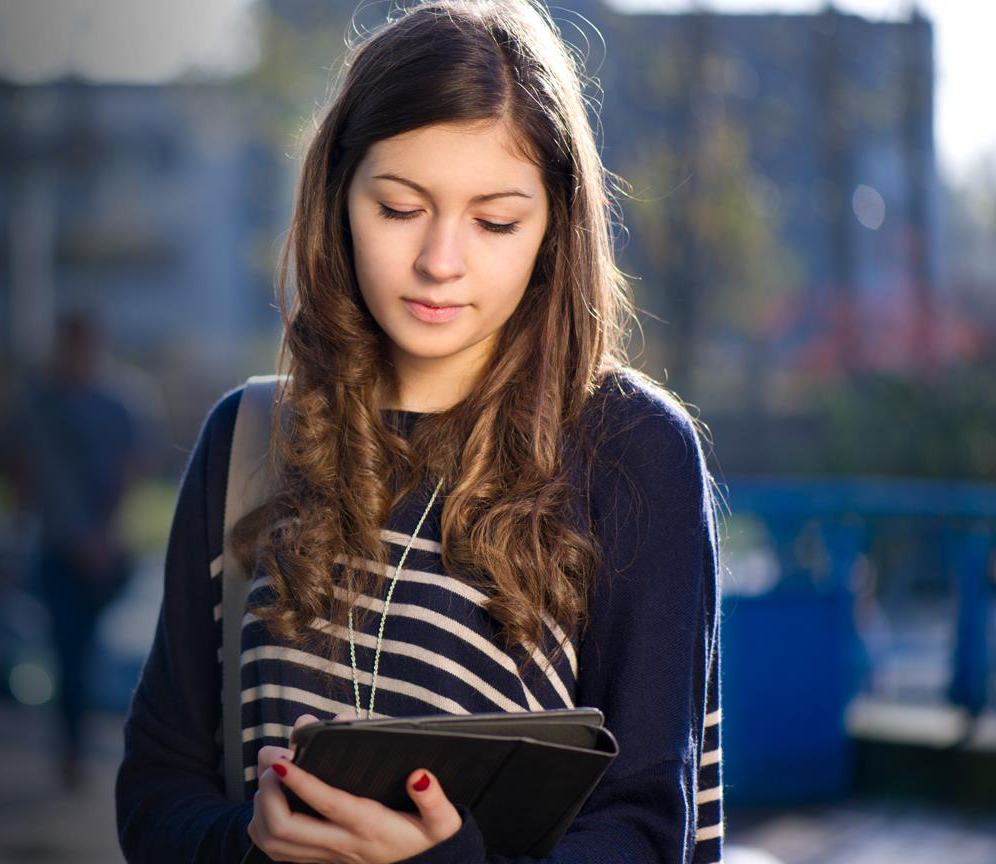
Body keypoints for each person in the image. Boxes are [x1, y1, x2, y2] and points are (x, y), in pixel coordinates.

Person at [114, 2, 724, 862]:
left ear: (554, 227)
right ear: (338, 197)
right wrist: (249, 847)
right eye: (399, 208)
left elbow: (648, 830)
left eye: (496, 221)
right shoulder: (249, 439)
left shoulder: (630, 453)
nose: (442, 261)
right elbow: (154, 788)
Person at [7, 310, 144, 792]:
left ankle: (84, 744)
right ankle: (72, 746)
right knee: (68, 650)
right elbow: (25, 478)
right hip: (57, 550)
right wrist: (15, 542)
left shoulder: (119, 404)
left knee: (87, 651)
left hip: (104, 555)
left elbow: (130, 472)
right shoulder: (39, 404)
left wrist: (103, 535)